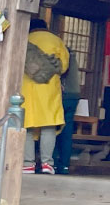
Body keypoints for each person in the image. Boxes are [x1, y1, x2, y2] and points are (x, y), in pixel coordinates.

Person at [21, 18, 69, 175]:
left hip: (26, 87)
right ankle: (47, 163)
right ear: (45, 27)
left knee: (26, 125)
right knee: (49, 124)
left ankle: (28, 164)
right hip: (49, 87)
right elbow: (63, 66)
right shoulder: (56, 40)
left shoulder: (23, 39)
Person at [54, 48, 81, 174]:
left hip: (62, 95)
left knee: (52, 128)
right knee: (67, 131)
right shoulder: (73, 56)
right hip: (74, 95)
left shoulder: (62, 55)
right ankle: (65, 165)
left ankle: (52, 162)